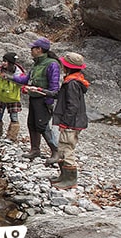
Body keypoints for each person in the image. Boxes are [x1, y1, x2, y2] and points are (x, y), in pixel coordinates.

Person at [30, 52, 90, 189]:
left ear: (67, 66)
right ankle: (63, 176)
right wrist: (41, 90)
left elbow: (72, 106)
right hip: (73, 121)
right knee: (63, 148)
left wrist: (65, 123)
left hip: (71, 123)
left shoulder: (72, 83)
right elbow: (59, 95)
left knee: (67, 148)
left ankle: (70, 181)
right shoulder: (73, 80)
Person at [13, 37, 61, 162]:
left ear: (39, 49)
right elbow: (25, 79)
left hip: (43, 100)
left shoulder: (52, 64)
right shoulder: (37, 63)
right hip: (33, 99)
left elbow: (54, 87)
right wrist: (10, 77)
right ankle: (35, 150)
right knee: (32, 124)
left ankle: (56, 151)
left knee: (42, 125)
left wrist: (49, 102)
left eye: (32, 48)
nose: (31, 50)